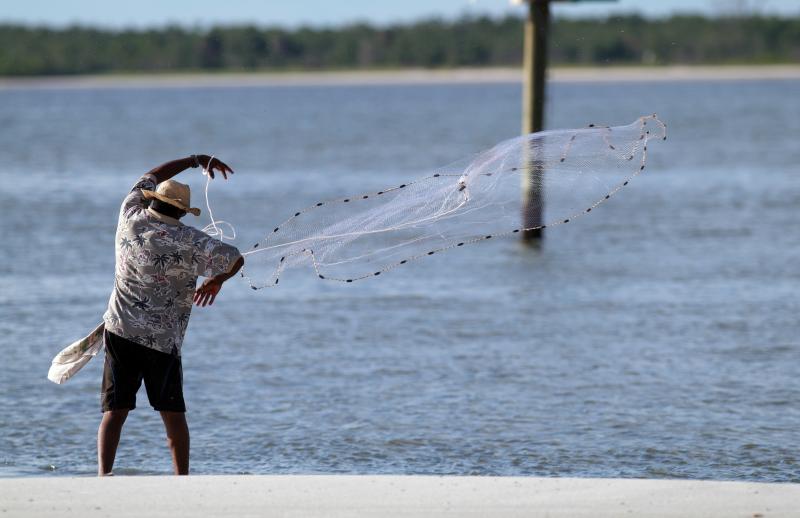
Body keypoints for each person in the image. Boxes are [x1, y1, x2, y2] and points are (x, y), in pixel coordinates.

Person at [97, 155, 244, 476]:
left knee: (115, 411)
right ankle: (182, 479)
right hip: (162, 342)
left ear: (152, 199)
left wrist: (195, 159)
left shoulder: (129, 215)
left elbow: (150, 173)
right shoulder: (189, 241)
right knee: (172, 413)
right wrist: (216, 281)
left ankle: (103, 476)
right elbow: (235, 259)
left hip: (119, 330)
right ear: (181, 212)